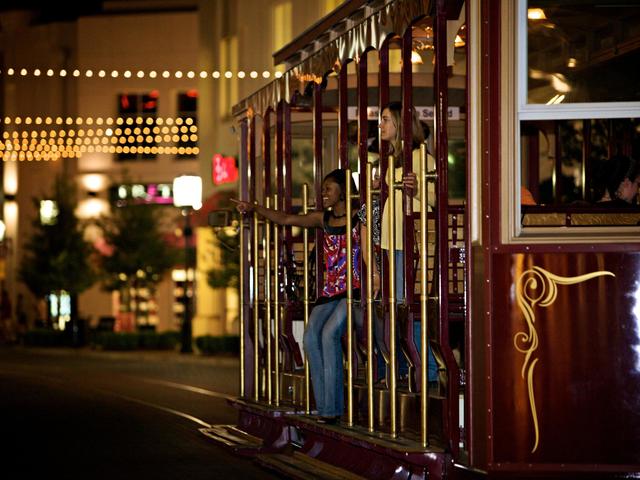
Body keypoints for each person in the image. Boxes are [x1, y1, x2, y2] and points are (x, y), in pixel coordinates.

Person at [234, 169, 360, 424]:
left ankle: (333, 408)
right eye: (323, 189)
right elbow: (286, 219)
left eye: (329, 189)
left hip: (355, 290)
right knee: (311, 337)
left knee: (328, 335)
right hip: (329, 292)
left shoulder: (359, 217)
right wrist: (255, 208)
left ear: (343, 192)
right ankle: (325, 407)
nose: (324, 194)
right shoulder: (321, 219)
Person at [361, 101, 438, 385]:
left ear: (400, 123)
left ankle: (427, 370)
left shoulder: (422, 157)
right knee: (394, 309)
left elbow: (434, 200)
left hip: (413, 243)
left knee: (410, 308)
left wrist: (417, 189)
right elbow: (377, 207)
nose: (380, 125)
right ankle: (405, 369)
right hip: (391, 242)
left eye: (385, 119)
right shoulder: (386, 159)